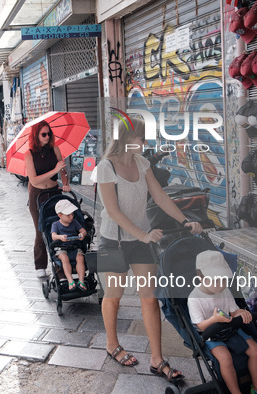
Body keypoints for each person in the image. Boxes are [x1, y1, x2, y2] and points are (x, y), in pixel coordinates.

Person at [96, 119, 201, 383]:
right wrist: (143, 234)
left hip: (142, 243)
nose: (146, 144)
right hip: (114, 241)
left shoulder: (142, 164)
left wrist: (184, 221)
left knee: (150, 299)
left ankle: (157, 359)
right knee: (114, 296)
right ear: (129, 137)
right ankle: (112, 344)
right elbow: (113, 211)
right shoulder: (106, 167)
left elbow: (161, 197)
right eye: (143, 138)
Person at [189, 251, 257, 394]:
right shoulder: (195, 298)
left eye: (224, 279)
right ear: (200, 277)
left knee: (255, 350)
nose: (221, 284)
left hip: (231, 329)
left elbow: (233, 311)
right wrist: (214, 319)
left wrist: (241, 313)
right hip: (211, 334)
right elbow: (199, 326)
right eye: (216, 280)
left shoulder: (224, 291)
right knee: (225, 358)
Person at [24, 120, 70, 278]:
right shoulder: (29, 154)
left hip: (54, 193)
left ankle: (60, 265)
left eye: (49, 133)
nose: (47, 136)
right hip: (38, 195)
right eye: (44, 134)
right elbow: (34, 180)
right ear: (36, 135)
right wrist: (54, 170)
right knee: (41, 229)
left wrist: (65, 182)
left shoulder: (54, 149)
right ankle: (40, 264)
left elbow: (62, 170)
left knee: (58, 228)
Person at [51, 200, 87, 291]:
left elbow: (83, 231)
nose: (71, 217)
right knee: (64, 258)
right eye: (68, 215)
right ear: (60, 215)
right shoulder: (56, 224)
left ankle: (81, 281)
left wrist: (82, 234)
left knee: (80, 258)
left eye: (72, 214)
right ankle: (70, 281)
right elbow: (53, 236)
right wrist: (60, 237)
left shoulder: (74, 222)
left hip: (74, 247)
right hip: (61, 248)